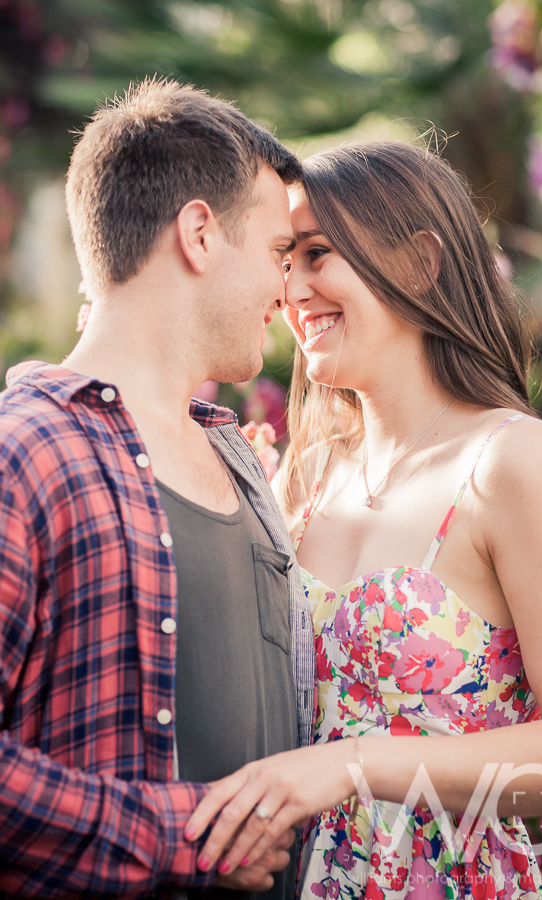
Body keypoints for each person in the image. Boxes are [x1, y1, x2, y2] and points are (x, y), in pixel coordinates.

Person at [182, 141, 542, 899]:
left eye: (316, 254)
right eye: (284, 260)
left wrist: (355, 765)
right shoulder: (305, 476)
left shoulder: (514, 464)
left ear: (417, 262)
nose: (291, 290)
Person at [0, 77, 315, 898]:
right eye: (280, 254)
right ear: (200, 235)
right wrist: (189, 839)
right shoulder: (24, 453)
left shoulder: (236, 451)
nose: (288, 292)